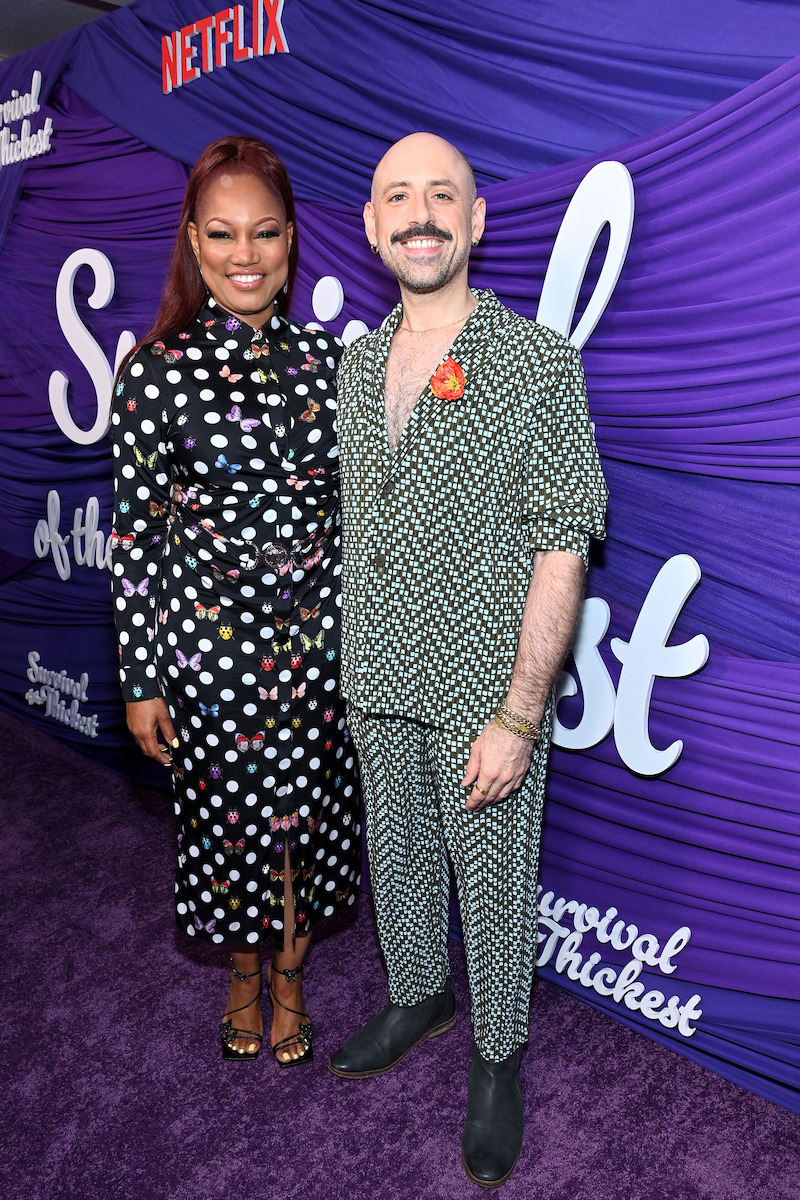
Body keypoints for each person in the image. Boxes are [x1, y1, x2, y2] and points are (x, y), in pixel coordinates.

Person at [329, 132, 607, 1186]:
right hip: (376, 670)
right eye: (397, 197)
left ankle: (497, 1055)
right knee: (395, 853)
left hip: (480, 688)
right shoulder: (357, 365)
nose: (420, 215)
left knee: (491, 881)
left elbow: (563, 544)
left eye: (441, 195)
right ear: (371, 226)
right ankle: (416, 995)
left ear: (475, 220)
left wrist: (519, 714)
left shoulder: (536, 362)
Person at [111, 136, 360, 1067]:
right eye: (222, 234)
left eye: (264, 232)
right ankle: (243, 971)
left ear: (292, 240)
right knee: (227, 829)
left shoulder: (332, 364)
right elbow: (133, 542)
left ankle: (290, 977)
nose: (244, 254)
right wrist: (143, 678)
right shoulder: (153, 373)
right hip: (208, 658)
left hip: (320, 649)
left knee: (307, 826)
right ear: (192, 240)